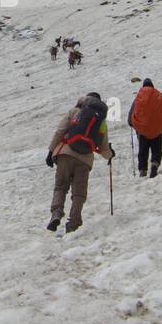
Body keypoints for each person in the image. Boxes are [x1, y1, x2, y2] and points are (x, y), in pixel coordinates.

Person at [45, 92, 114, 234]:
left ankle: (57, 212)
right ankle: (73, 223)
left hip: (65, 153)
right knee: (79, 193)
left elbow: (60, 131)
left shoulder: (74, 112)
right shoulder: (101, 122)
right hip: (84, 159)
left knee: (60, 187)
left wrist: (51, 151)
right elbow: (103, 147)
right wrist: (110, 155)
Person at [128, 78, 162, 178]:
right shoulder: (158, 97)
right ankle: (154, 165)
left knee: (143, 151)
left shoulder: (138, 99)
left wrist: (133, 124)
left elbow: (131, 116)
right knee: (156, 149)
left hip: (142, 131)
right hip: (157, 130)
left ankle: (143, 170)